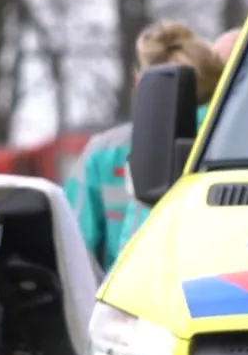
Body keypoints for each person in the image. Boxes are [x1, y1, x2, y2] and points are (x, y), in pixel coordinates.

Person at [63, 20, 223, 275]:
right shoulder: (233, 146)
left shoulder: (103, 152)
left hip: (126, 304)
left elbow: (72, 257)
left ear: (140, 82)